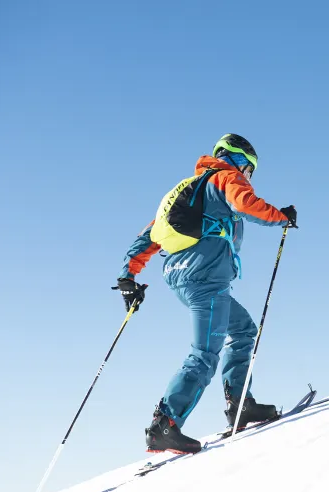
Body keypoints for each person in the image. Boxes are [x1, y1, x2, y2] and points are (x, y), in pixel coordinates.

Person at [114, 134, 298, 454]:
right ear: (236, 159)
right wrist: (280, 216)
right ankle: (165, 424)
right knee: (204, 353)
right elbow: (245, 203)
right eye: (248, 168)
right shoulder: (225, 177)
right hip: (205, 278)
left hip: (185, 276)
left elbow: (149, 236)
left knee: (243, 330)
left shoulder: (183, 191)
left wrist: (128, 278)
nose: (248, 175)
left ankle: (241, 404)